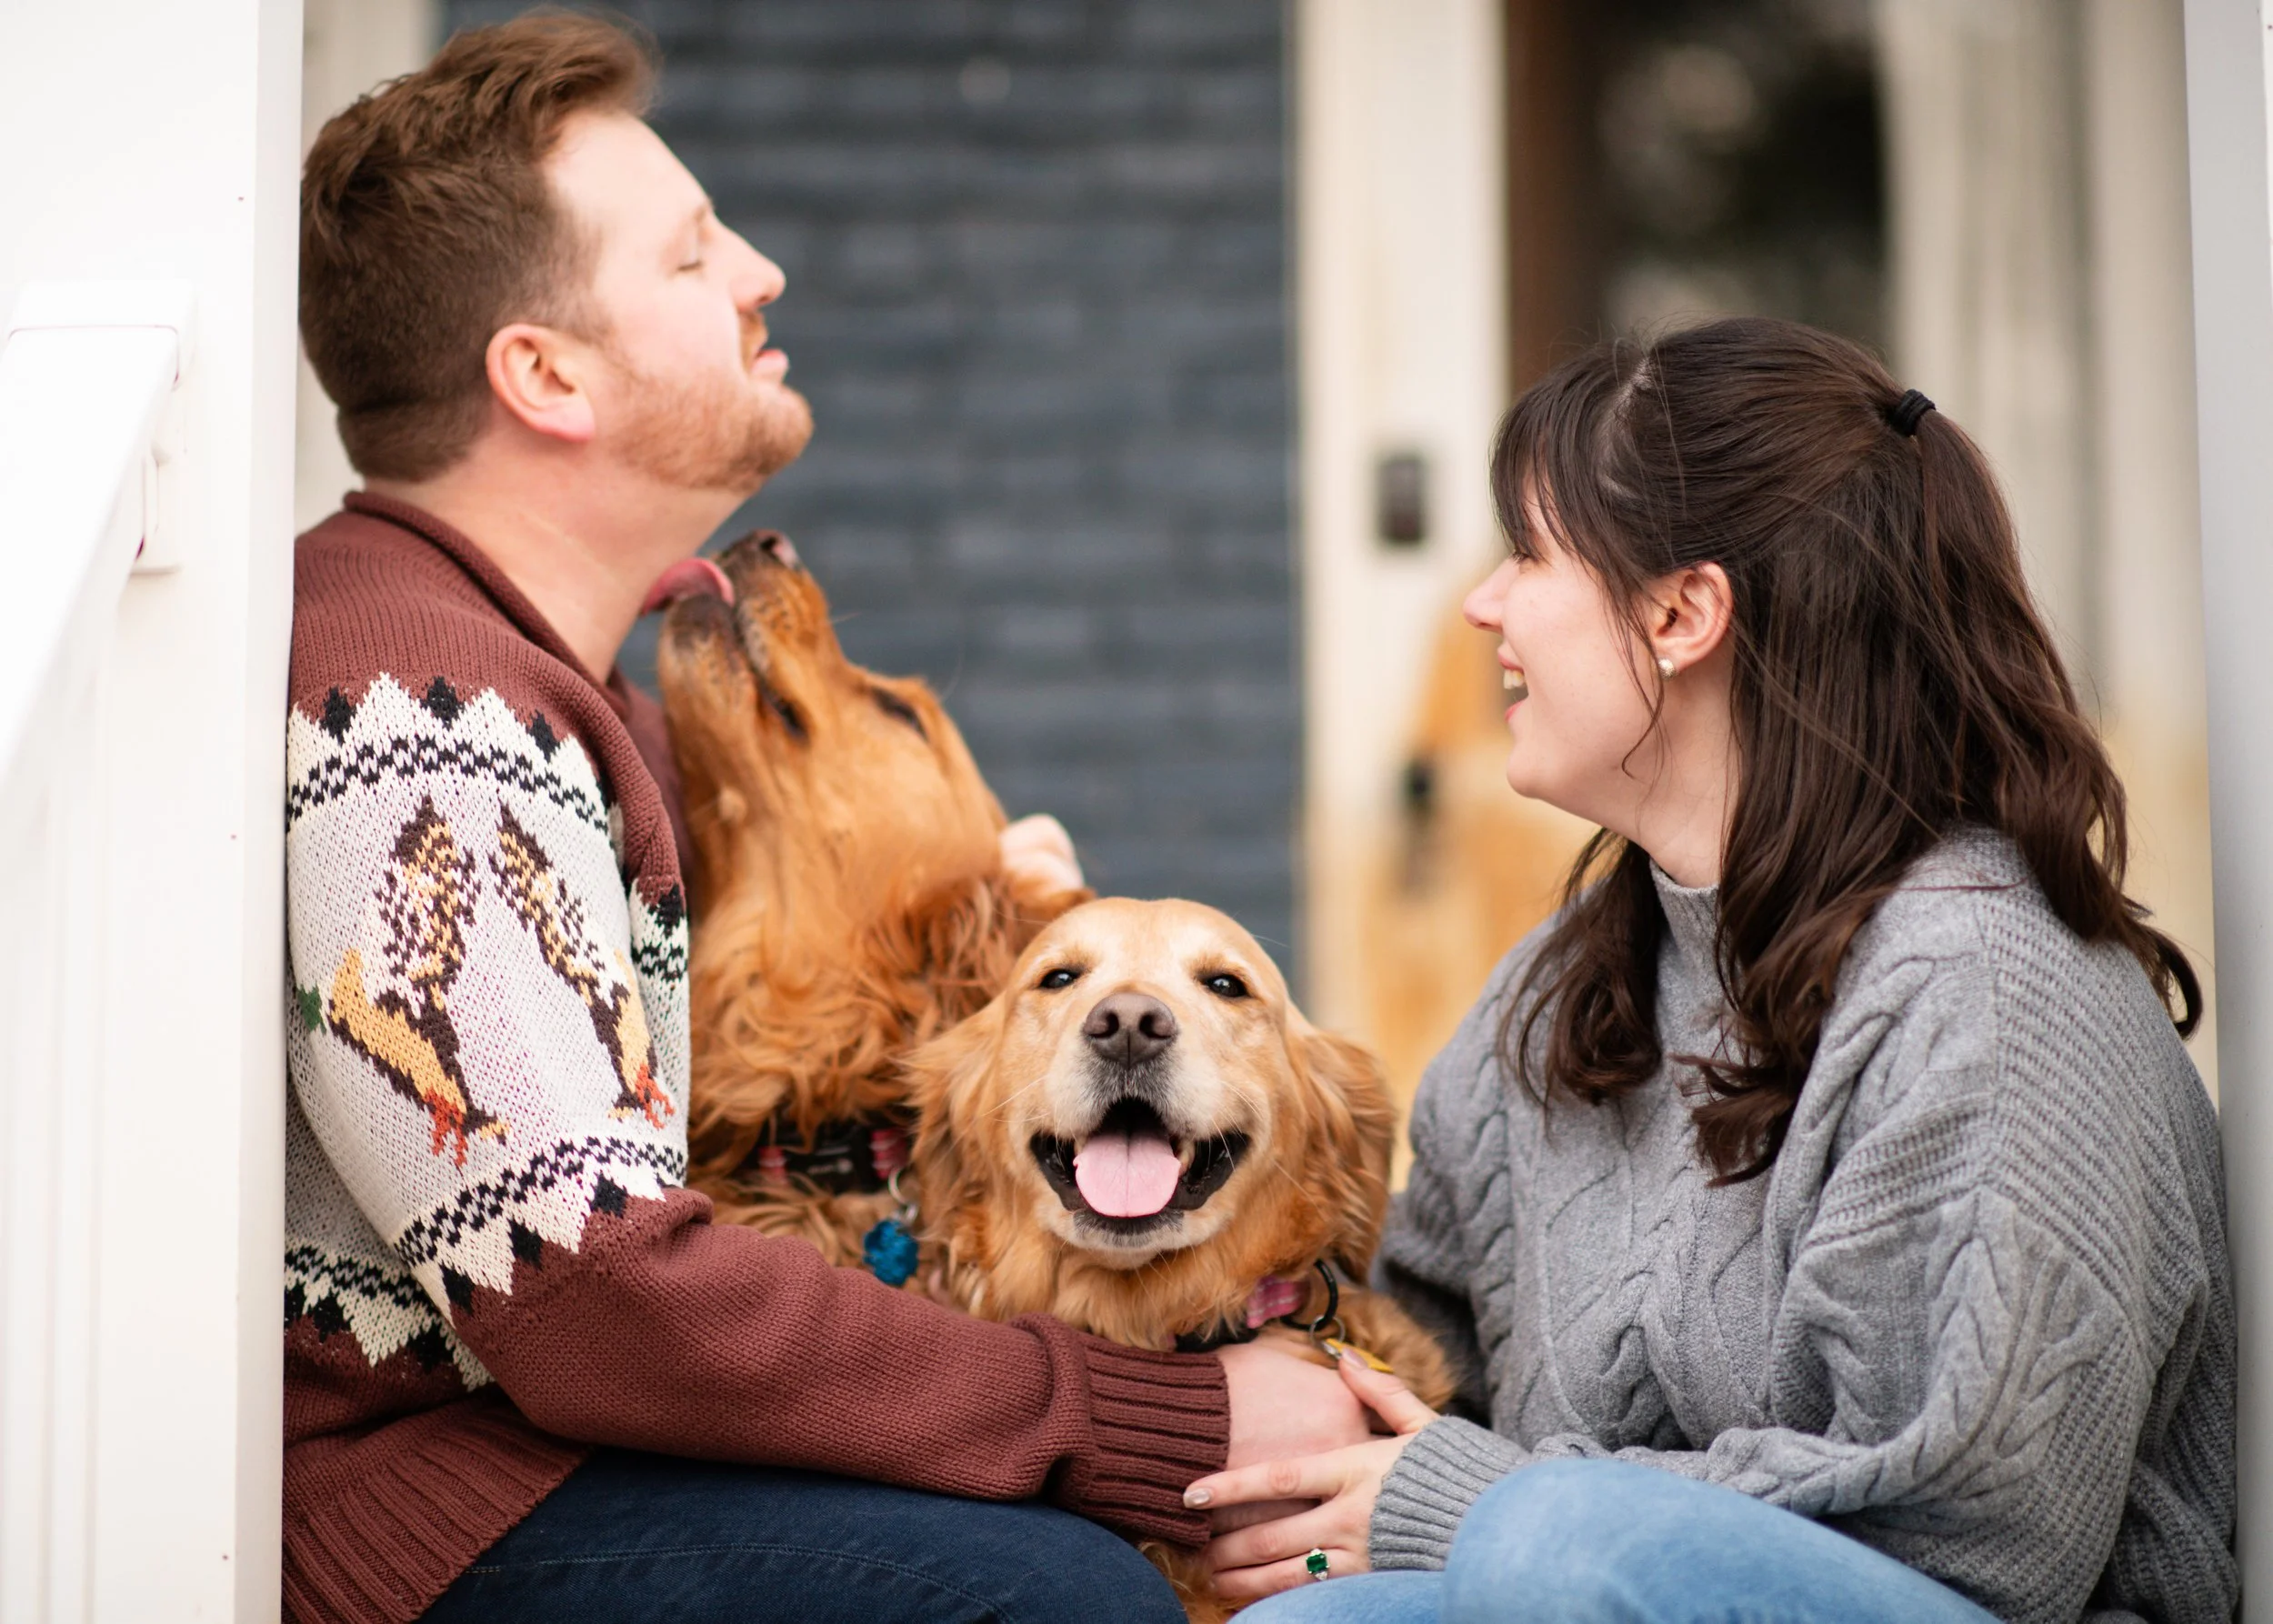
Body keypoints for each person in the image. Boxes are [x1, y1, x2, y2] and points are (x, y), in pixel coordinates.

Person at [282, 15, 1355, 1622]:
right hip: (420, 1507)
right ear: (547, 375)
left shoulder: (530, 691)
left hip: (529, 1455)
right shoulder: (424, 719)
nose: (764, 271)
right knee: (1064, 1603)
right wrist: (1159, 1420)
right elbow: (594, 1293)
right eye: (697, 252)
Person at [1186, 318, 2236, 1621]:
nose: (1481, 605)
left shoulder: (1986, 994)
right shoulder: (1567, 986)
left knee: (1550, 1540)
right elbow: (1422, 1342)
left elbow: (1981, 1536)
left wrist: (1486, 1503)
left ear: (1683, 612)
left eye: (1528, 555)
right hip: (1586, 1572)